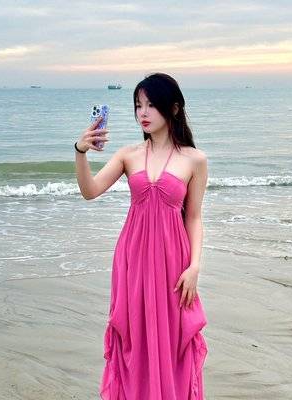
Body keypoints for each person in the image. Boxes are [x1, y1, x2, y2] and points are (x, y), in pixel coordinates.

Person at [74, 72, 208, 399]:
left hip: (174, 262)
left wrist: (194, 267)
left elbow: (193, 217)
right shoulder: (128, 154)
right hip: (132, 259)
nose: (143, 113)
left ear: (173, 108)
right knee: (134, 335)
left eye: (151, 105)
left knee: (173, 338)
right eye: (138, 105)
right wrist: (80, 151)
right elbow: (90, 191)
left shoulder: (194, 159)